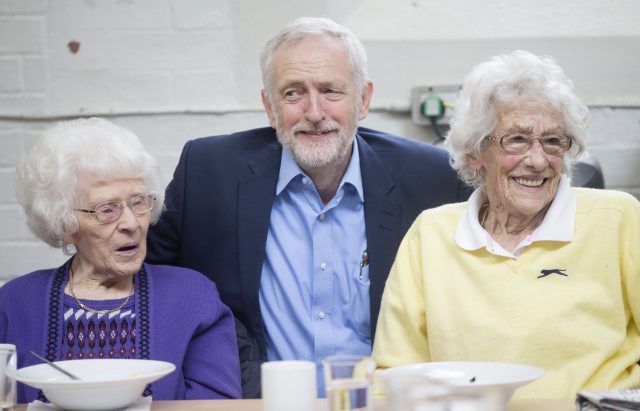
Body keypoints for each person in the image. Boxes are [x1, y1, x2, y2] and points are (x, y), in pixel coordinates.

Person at [145, 17, 470, 397]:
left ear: (363, 99)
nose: (314, 113)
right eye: (293, 94)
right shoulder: (208, 172)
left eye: (331, 91)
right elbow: (148, 276)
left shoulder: (431, 178)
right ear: (269, 105)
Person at [372, 50, 640, 399]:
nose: (537, 160)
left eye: (553, 141)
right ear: (475, 152)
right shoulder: (431, 235)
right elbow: (394, 375)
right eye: (517, 139)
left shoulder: (618, 220)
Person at [0, 118, 241, 403]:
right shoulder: (15, 303)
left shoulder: (194, 296)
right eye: (107, 209)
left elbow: (217, 407)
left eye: (138, 202)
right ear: (65, 224)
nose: (131, 223)